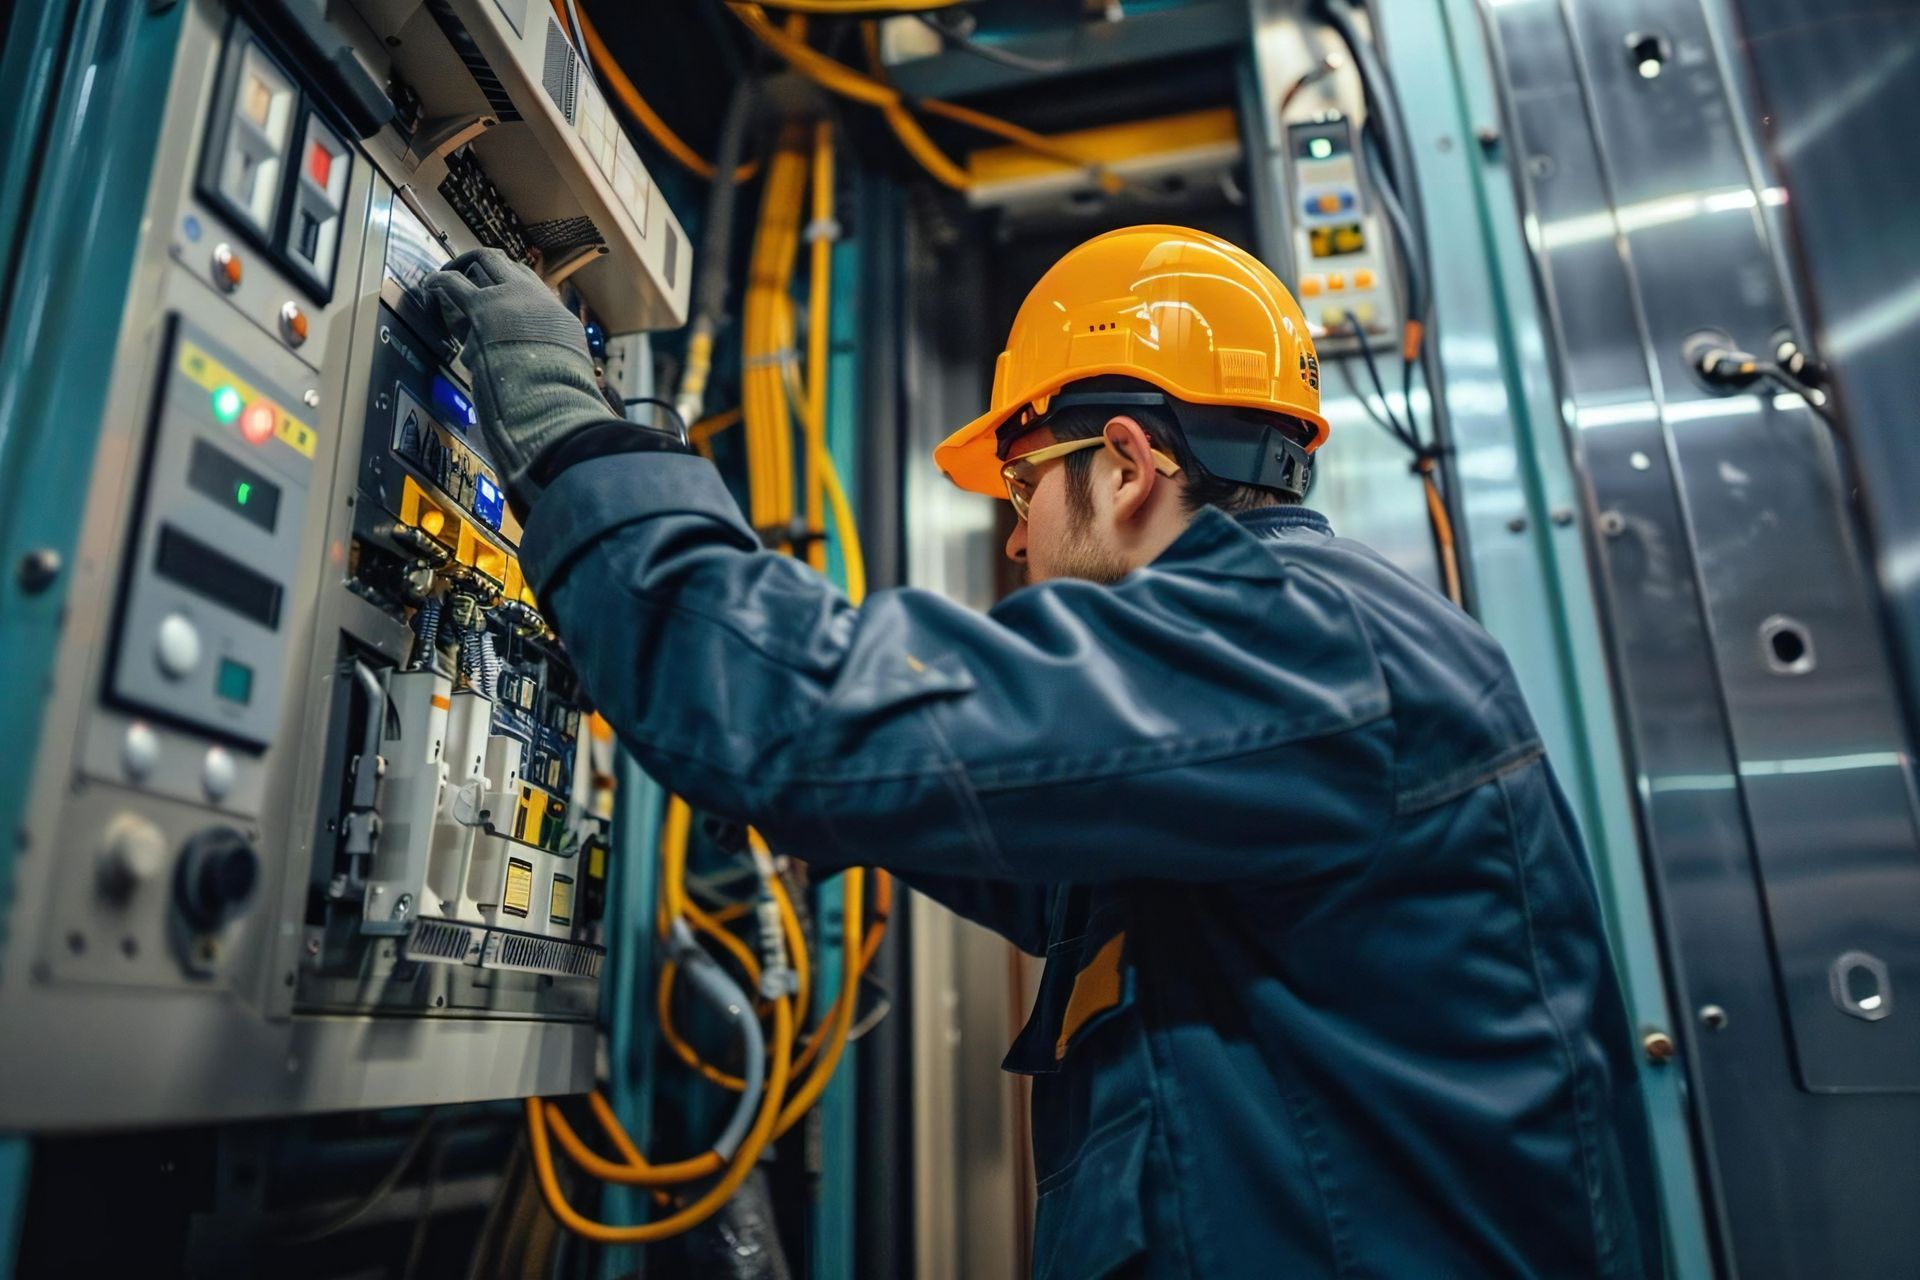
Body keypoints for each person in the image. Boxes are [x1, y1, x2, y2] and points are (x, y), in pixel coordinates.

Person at [425, 226, 1663, 1278]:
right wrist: (669, 650)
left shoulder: (1291, 639)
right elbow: (967, 804)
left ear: (1124, 464)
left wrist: (580, 458)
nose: (1014, 538)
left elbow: (841, 728)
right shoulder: (1306, 649)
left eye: (1021, 485)